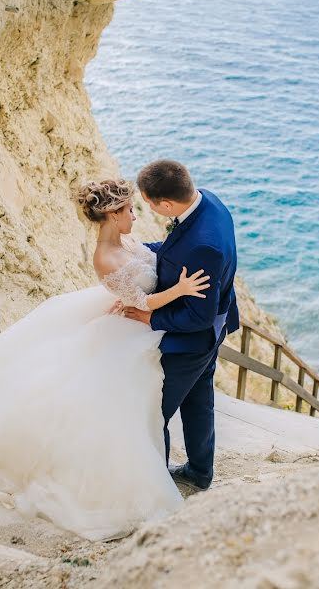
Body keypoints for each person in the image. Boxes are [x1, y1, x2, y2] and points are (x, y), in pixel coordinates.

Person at [0, 178, 210, 541]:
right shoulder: (105, 258)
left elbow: (144, 269)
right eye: (127, 211)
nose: (134, 217)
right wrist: (181, 290)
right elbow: (141, 303)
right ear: (110, 215)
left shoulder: (124, 240)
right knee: (119, 405)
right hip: (133, 327)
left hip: (136, 325)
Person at [124, 159, 239, 492]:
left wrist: (150, 317)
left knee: (154, 411)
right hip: (215, 329)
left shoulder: (203, 245)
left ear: (166, 205)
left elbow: (197, 316)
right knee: (199, 404)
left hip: (193, 342)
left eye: (149, 204)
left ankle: (154, 484)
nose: (148, 209)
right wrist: (144, 251)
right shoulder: (208, 201)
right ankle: (200, 472)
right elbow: (178, 253)